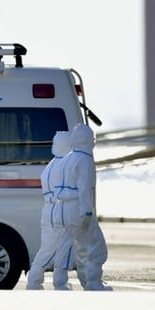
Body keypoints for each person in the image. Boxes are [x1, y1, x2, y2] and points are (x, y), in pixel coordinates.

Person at [54, 122, 111, 291]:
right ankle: (93, 282)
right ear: (86, 140)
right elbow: (84, 187)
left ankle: (60, 282)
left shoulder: (66, 159)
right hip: (77, 208)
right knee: (96, 247)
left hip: (61, 208)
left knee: (65, 246)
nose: (93, 142)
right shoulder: (85, 159)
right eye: (91, 138)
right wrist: (87, 213)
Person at [25, 131, 73, 290]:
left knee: (49, 247)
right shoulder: (63, 164)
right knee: (59, 247)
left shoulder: (52, 164)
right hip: (57, 209)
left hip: (49, 210)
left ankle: (35, 279)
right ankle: (58, 282)